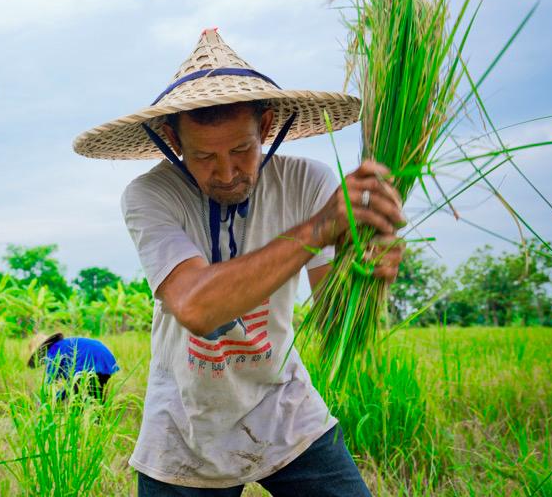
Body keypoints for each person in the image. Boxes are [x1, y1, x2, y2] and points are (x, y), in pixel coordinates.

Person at [73, 28, 405, 495]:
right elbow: (195, 306)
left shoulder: (307, 182)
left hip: (285, 407)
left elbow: (335, 314)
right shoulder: (151, 195)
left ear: (267, 127)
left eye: (242, 150)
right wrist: (316, 230)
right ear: (172, 139)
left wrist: (368, 276)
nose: (226, 174)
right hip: (185, 424)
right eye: (204, 155)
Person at [28, 332, 119, 401]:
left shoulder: (53, 351)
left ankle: (82, 419)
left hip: (89, 361)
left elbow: (49, 384)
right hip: (106, 358)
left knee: (75, 397)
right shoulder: (63, 345)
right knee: (97, 396)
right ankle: (99, 421)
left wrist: (54, 400)